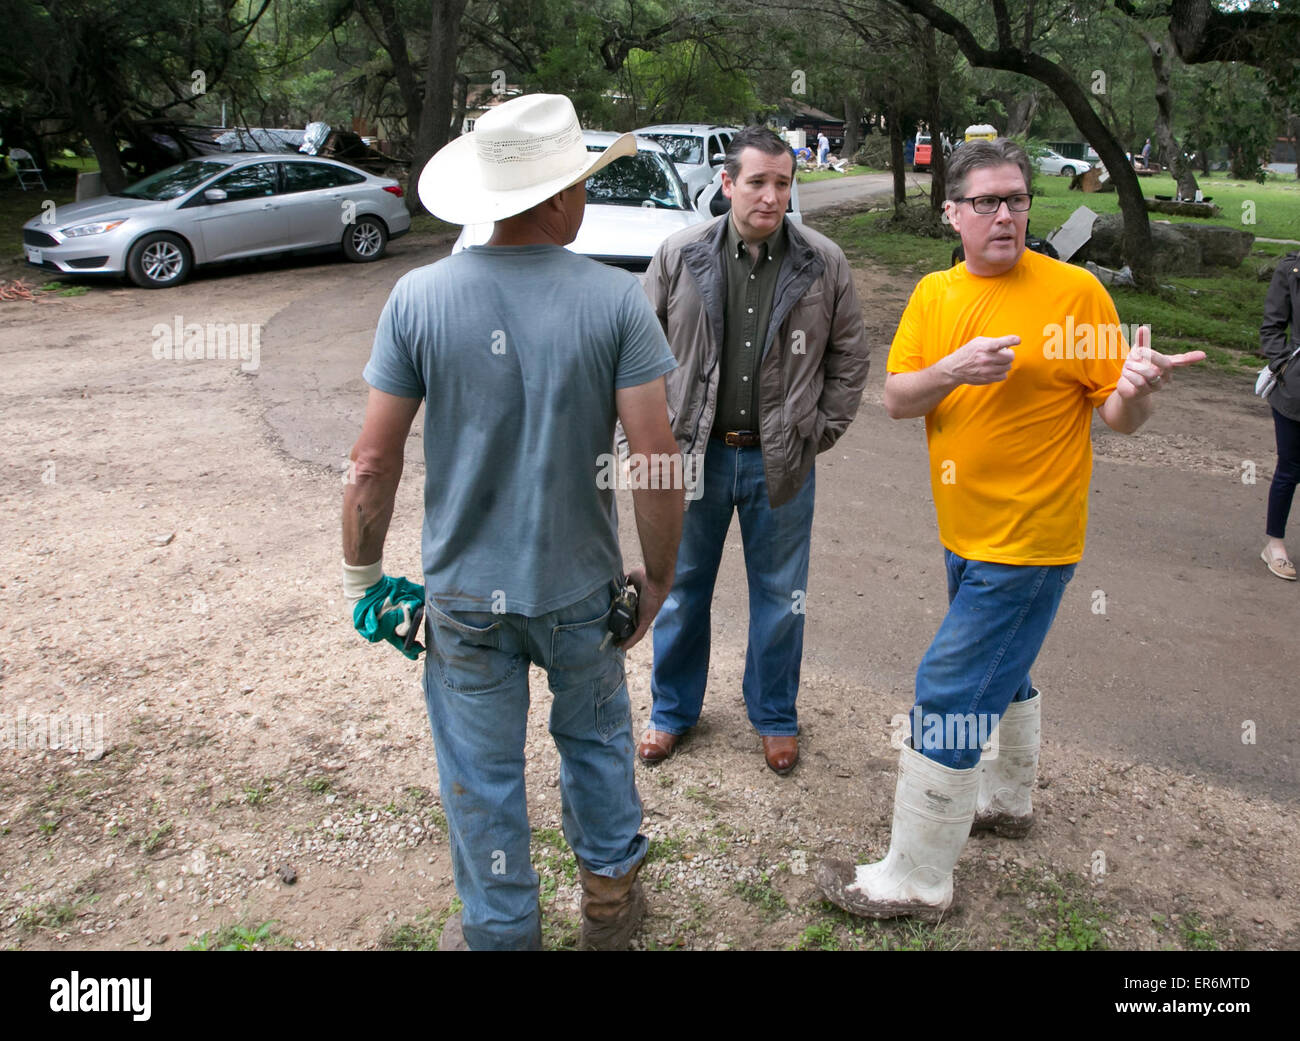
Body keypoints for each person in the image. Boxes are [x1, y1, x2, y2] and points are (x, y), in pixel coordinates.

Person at [817, 138, 1204, 919]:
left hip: (1031, 543)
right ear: (952, 212)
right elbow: (897, 397)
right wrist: (955, 368)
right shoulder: (934, 294)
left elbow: (1119, 417)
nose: (1005, 215)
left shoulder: (1075, 293)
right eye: (987, 202)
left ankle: (918, 876)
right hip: (964, 532)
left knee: (949, 688)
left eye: (1018, 199)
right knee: (1008, 669)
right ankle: (1007, 800)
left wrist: (1137, 388)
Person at [341, 93, 684, 950]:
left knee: (482, 773)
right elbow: (657, 457)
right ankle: (608, 908)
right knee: (599, 743)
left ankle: (502, 932)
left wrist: (364, 576)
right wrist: (661, 575)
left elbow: (372, 463)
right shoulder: (615, 304)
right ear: (561, 196)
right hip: (580, 590)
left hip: (463, 600)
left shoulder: (417, 298)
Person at [635, 125, 871, 775]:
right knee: (679, 588)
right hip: (694, 456)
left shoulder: (822, 262)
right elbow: (634, 351)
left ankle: (774, 715)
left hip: (781, 460)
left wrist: (817, 430)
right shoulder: (680, 255)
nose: (771, 196)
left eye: (783, 183)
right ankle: (671, 712)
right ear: (728, 183)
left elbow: (851, 355)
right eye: (758, 182)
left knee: (781, 593)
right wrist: (650, 436)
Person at [1260, 250, 1300, 580]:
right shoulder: (1291, 269)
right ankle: (1275, 545)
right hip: (1295, 390)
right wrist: (1283, 365)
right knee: (1289, 468)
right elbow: (1271, 327)